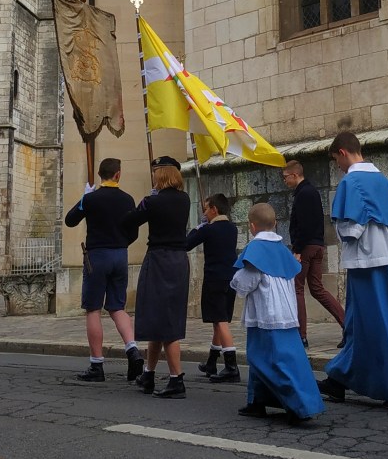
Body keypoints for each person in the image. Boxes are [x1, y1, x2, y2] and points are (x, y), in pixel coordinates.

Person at [317, 132, 388, 412]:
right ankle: (339, 379)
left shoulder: (351, 181)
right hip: (387, 258)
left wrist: (339, 227)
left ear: (342, 152)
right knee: (359, 323)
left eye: (336, 161)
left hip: (366, 261)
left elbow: (352, 229)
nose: (338, 167)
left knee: (378, 323)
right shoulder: (382, 180)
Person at [230, 202, 325, 425]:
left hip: (267, 317)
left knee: (267, 361)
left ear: (252, 226)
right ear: (275, 224)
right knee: (281, 360)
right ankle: (257, 401)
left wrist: (234, 279)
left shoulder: (255, 249)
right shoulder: (283, 249)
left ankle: (299, 406)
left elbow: (246, 283)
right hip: (287, 314)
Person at [64, 157, 144, 383]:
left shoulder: (92, 199)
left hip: (97, 256)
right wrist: (121, 243)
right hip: (120, 254)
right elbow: (134, 232)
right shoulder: (128, 199)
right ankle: (132, 349)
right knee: (118, 307)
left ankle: (97, 364)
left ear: (100, 175)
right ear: (118, 175)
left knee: (93, 309)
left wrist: (84, 198)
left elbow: (70, 220)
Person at [120, 156, 192, 398]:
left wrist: (145, 201)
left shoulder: (153, 201)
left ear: (160, 175)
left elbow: (128, 220)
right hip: (179, 260)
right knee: (158, 319)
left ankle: (176, 379)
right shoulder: (184, 199)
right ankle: (149, 374)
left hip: (160, 259)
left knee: (165, 320)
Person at [281, 160, 345, 347]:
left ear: (294, 175)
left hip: (306, 247)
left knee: (297, 288)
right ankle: (348, 326)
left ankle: (301, 336)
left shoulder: (304, 194)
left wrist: (298, 250)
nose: (285, 181)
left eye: (286, 177)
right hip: (317, 245)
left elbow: (304, 225)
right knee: (317, 289)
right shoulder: (311, 192)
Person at [186, 192, 240, 382]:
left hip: (215, 278)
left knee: (220, 321)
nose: (204, 213)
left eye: (206, 209)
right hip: (231, 278)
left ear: (214, 209)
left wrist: (196, 228)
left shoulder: (208, 230)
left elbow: (186, 244)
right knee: (221, 320)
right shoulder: (232, 228)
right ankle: (212, 360)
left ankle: (231, 366)